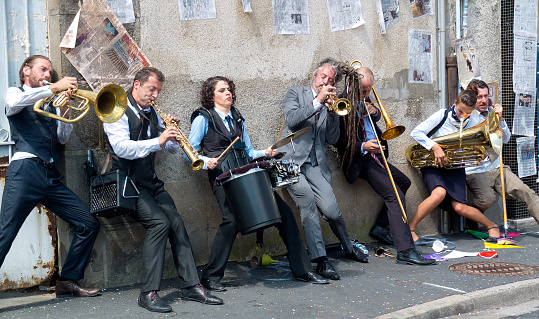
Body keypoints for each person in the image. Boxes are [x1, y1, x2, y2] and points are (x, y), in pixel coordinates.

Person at [187, 76, 328, 292]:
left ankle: (303, 270)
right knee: (232, 221)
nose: (228, 93)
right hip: (223, 178)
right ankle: (210, 276)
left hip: (246, 175)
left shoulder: (237, 117)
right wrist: (207, 161)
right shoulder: (203, 118)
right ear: (211, 95)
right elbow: (190, 153)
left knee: (284, 215)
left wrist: (266, 152)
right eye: (222, 90)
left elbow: (248, 151)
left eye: (229, 89)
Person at [103, 67, 223, 313]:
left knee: (177, 222)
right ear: (136, 85)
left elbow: (170, 151)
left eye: (158, 90)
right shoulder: (116, 108)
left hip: (151, 182)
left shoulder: (152, 113)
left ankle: (192, 286)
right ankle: (148, 293)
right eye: (152, 89)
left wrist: (173, 138)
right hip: (129, 184)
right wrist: (158, 140)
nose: (155, 95)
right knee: (159, 223)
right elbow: (121, 147)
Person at [0, 55, 101, 297]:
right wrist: (53, 88)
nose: (47, 75)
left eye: (50, 72)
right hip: (25, 172)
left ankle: (67, 281)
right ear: (27, 70)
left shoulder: (52, 101)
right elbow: (14, 105)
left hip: (50, 175)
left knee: (88, 223)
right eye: (42, 69)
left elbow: (63, 138)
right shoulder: (15, 93)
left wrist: (64, 108)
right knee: (6, 232)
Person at [334, 66, 434, 265]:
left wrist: (375, 111)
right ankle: (405, 250)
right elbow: (336, 140)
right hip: (360, 159)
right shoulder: (341, 103)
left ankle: (380, 227)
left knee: (403, 183)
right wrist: (363, 145)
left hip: (376, 157)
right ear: (352, 85)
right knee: (394, 194)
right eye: (363, 90)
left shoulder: (364, 97)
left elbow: (372, 121)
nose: (367, 94)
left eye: (369, 89)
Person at [279, 58, 368, 281]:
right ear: (314, 76)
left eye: (330, 79)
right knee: (307, 203)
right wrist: (317, 102)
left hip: (315, 164)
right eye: (323, 77)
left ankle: (348, 246)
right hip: (290, 163)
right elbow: (292, 120)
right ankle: (321, 260)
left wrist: (331, 113)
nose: (326, 82)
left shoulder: (331, 102)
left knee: (331, 211)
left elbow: (332, 138)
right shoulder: (295, 93)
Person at [409, 89, 501, 242]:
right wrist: (435, 147)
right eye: (460, 111)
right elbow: (416, 132)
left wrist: (478, 150)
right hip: (434, 163)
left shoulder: (474, 120)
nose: (463, 116)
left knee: (460, 207)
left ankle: (492, 226)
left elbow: (476, 141)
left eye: (467, 113)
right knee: (439, 194)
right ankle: (410, 229)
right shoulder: (442, 115)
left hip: (455, 165)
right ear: (455, 103)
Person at [465, 79, 539, 225]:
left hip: (497, 166)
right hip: (477, 169)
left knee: (525, 191)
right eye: (479, 97)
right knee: (487, 200)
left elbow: (505, 139)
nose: (484, 100)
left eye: (486, 96)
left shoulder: (492, 112)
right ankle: (471, 216)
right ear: (472, 98)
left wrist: (501, 118)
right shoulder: (466, 115)